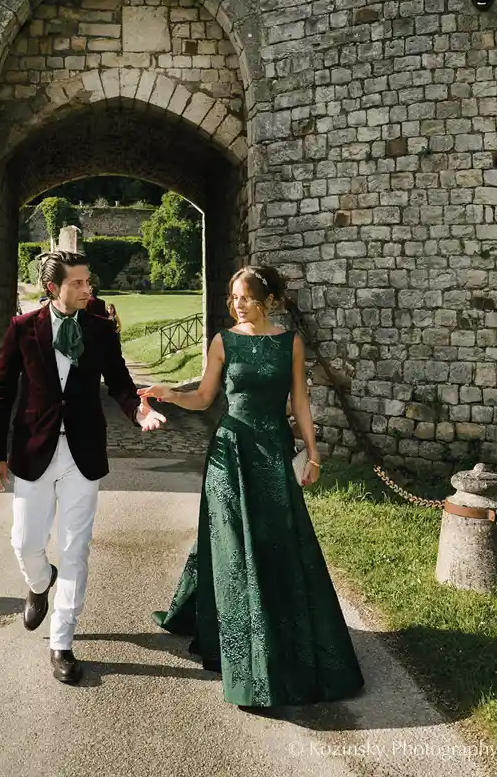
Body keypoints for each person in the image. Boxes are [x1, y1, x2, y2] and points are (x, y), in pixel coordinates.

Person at [138, 265, 365, 711]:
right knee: (232, 545)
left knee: (278, 543)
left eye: (243, 297)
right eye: (232, 297)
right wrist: (170, 393)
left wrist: (314, 453)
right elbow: (205, 397)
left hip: (272, 453)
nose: (236, 304)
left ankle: (285, 636)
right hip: (230, 452)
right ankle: (241, 650)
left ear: (267, 300)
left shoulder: (290, 343)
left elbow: (299, 398)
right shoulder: (224, 341)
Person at [0, 250, 166, 686]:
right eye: (80, 283)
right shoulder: (23, 329)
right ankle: (38, 580)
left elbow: (121, 383)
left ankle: (62, 641)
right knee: (25, 541)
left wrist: (140, 413)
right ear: (54, 288)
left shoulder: (101, 330)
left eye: (89, 282)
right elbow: (1, 392)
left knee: (76, 548)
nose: (89, 289)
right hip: (33, 451)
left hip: (83, 454)